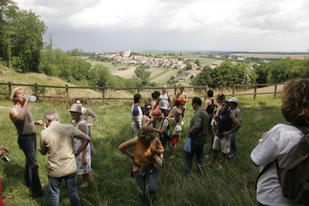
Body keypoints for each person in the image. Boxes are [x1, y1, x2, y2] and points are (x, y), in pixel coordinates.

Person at [251, 79, 309, 206]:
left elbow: (256, 160)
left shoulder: (282, 133)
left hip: (273, 198)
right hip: (301, 197)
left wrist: (265, 138)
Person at [40, 110, 91, 206]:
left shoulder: (44, 133)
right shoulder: (69, 128)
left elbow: (43, 152)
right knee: (73, 192)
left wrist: (44, 131)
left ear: (47, 121)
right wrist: (77, 152)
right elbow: (87, 139)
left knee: (54, 194)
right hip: (70, 167)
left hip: (55, 170)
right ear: (57, 118)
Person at [9, 87, 44, 197]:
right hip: (25, 139)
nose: (24, 95)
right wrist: (27, 102)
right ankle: (37, 191)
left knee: (29, 161)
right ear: (15, 98)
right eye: (21, 94)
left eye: (25, 93)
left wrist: (35, 122)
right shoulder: (13, 110)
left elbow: (25, 120)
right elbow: (19, 119)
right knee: (34, 164)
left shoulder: (25, 108)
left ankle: (28, 183)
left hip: (32, 137)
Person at [118, 126, 164, 205]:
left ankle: (153, 202)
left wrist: (155, 151)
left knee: (153, 189)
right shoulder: (137, 140)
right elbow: (121, 147)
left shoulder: (155, 140)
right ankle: (143, 203)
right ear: (142, 137)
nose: (147, 142)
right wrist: (131, 156)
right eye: (145, 140)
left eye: (149, 140)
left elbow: (162, 150)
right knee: (141, 190)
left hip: (151, 167)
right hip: (138, 168)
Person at [70, 104, 95, 191]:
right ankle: (85, 183)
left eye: (74, 113)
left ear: (79, 113)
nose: (72, 115)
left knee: (87, 172)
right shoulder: (75, 122)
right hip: (78, 150)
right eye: (71, 113)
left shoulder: (82, 124)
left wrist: (84, 156)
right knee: (83, 171)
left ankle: (92, 191)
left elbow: (85, 140)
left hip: (82, 151)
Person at [183, 97, 209, 175]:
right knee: (200, 157)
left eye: (192, 104)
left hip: (195, 139)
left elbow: (197, 125)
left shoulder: (198, 113)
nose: (191, 105)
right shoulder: (205, 113)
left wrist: (190, 133)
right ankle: (200, 172)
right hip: (202, 139)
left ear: (195, 104)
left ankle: (186, 173)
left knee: (188, 157)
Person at [211, 100, 241, 164]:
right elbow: (217, 122)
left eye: (226, 105)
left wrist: (229, 132)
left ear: (228, 106)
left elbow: (238, 125)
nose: (224, 107)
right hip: (218, 134)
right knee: (214, 149)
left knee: (224, 152)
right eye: (223, 105)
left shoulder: (230, 115)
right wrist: (215, 130)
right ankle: (212, 162)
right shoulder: (220, 112)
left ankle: (222, 164)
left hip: (225, 136)